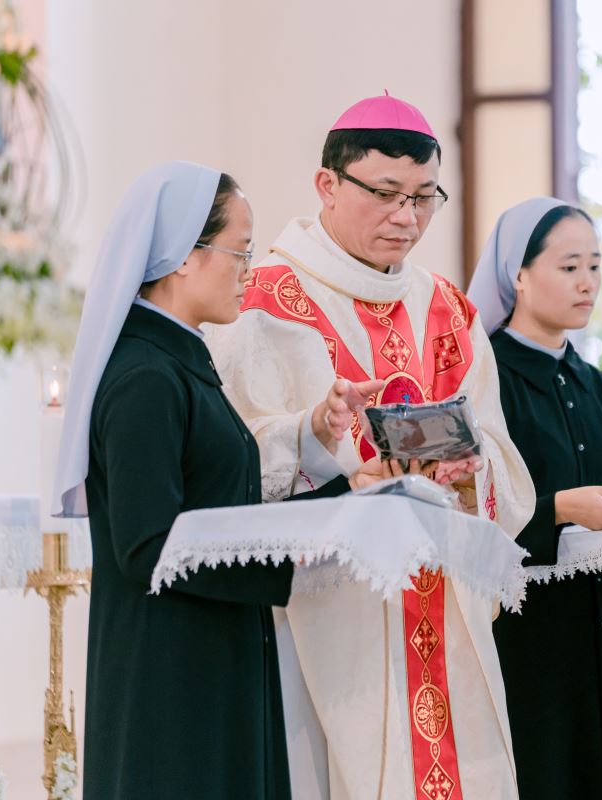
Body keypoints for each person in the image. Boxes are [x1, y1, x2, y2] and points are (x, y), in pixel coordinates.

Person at [208, 94, 535, 800]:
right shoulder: (262, 303)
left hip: (445, 606)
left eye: (423, 197)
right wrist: (317, 437)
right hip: (332, 614)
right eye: (386, 194)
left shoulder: (448, 308)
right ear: (327, 184)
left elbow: (502, 459)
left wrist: (470, 471)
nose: (406, 217)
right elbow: (229, 463)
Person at [51, 162, 381, 799]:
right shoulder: (146, 377)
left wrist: (348, 494)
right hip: (170, 676)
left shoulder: (179, 360)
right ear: (183, 256)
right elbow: (149, 545)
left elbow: (222, 505)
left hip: (210, 655)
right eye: (241, 251)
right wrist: (287, 558)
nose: (248, 271)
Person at [467, 198, 602, 799]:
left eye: (595, 266)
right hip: (530, 650)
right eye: (569, 266)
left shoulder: (601, 390)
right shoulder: (484, 383)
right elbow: (468, 512)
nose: (587, 283)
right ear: (518, 274)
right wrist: (561, 509)